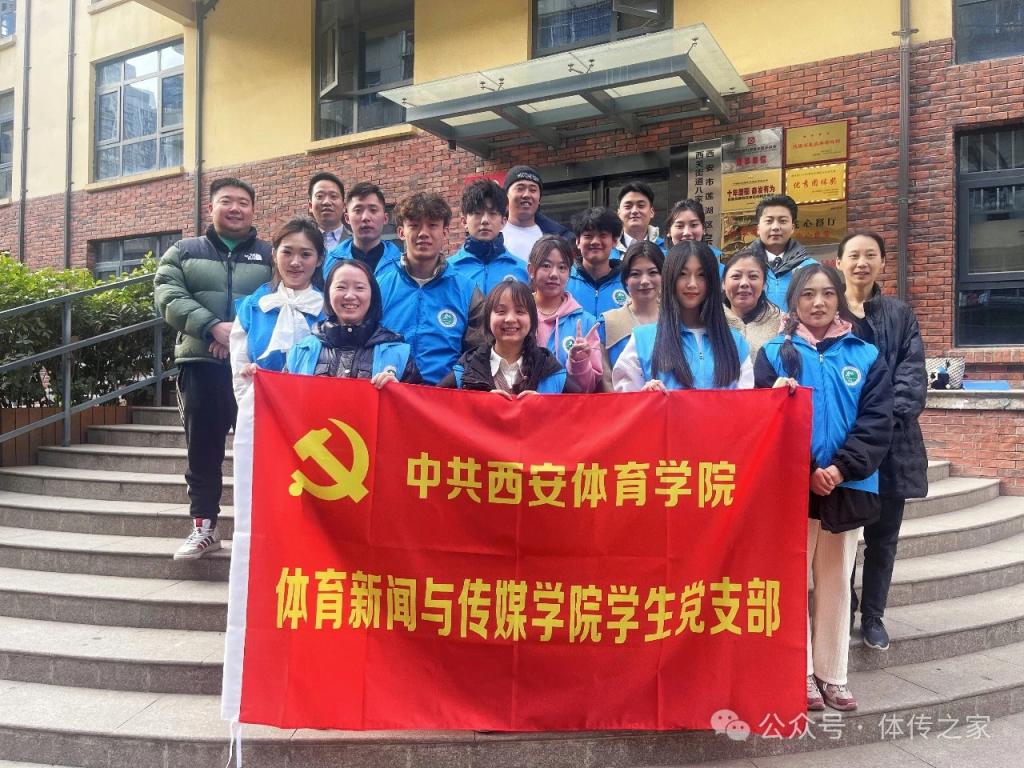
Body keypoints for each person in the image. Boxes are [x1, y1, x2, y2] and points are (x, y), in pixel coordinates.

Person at [754, 263, 893, 712]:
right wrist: (809, 470)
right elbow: (765, 422)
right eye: (808, 294)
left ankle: (833, 674)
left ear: (840, 300)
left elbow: (877, 421)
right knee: (792, 583)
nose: (818, 303)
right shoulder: (773, 354)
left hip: (848, 486)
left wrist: (839, 469)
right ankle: (799, 672)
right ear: (793, 301)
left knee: (836, 582)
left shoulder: (865, 355)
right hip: (793, 487)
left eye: (827, 294)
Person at [154, 177, 272, 560]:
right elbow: (168, 294)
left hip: (254, 369)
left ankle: (264, 530)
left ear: (253, 210)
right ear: (211, 208)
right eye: (226, 201)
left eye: (243, 202)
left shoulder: (270, 255)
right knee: (202, 450)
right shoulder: (184, 251)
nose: (235, 208)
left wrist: (238, 335)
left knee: (263, 450)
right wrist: (211, 327)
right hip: (201, 365)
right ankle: (204, 527)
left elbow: (281, 299)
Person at [837, 231, 928, 652]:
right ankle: (844, 607)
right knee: (842, 538)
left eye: (870, 255)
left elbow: (912, 377)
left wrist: (878, 426)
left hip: (892, 447)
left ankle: (873, 616)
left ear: (883, 263)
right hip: (843, 447)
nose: (861, 263)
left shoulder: (899, 314)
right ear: (839, 262)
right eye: (853, 255)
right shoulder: (829, 310)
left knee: (883, 539)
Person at [613, 241, 752, 392]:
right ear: (670, 278)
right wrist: (646, 397)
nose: (692, 284)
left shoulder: (736, 342)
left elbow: (746, 401)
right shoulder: (642, 340)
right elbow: (626, 400)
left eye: (701, 275)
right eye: (683, 274)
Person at [377, 192, 485, 385]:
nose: (423, 233)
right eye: (414, 225)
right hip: (388, 391)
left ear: (445, 232)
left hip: (446, 396)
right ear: (401, 232)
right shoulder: (379, 286)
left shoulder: (468, 291)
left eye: (432, 225)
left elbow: (480, 350)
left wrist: (452, 381)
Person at [229, 218, 325, 400]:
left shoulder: (330, 310)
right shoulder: (252, 308)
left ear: (319, 259)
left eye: (305, 254)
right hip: (262, 407)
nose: (295, 262)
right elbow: (239, 372)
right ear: (274, 254)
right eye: (287, 252)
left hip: (317, 408)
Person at [287, 259, 420, 385]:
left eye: (359, 288)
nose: (350, 295)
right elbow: (284, 398)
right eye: (341, 287)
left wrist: (398, 391)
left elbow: (417, 399)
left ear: (372, 295)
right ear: (328, 293)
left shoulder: (398, 353)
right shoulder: (302, 351)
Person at [439, 279, 580, 395]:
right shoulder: (466, 371)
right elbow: (435, 408)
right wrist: (480, 404)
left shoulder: (549, 370)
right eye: (501, 311)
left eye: (520, 311)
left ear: (532, 319)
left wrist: (544, 406)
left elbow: (581, 411)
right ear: (488, 319)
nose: (510, 319)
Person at [528, 235, 603, 393]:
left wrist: (579, 362)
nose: (554, 274)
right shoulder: (519, 316)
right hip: (524, 405)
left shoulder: (585, 322)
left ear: (569, 273)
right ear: (531, 270)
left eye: (562, 267)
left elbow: (589, 388)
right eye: (546, 266)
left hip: (569, 407)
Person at [600, 240, 663, 390]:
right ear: (625, 280)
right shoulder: (607, 322)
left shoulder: (678, 320)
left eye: (653, 272)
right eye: (635, 274)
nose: (645, 281)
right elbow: (606, 380)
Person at [447, 179, 529, 293]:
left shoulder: (524, 271)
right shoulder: (447, 270)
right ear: (464, 221)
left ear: (503, 221)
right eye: (477, 213)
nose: (485, 220)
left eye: (492, 213)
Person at [747, 194, 817, 308]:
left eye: (782, 221)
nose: (775, 227)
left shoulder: (810, 268)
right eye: (769, 221)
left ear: (792, 228)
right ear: (758, 229)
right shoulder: (742, 267)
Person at [321, 182, 402, 278]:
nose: (365, 217)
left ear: (385, 218)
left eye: (373, 210)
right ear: (347, 218)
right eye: (358, 210)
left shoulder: (403, 264)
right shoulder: (328, 262)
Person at [501, 165, 573, 260]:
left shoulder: (557, 239)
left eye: (533, 190)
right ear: (506, 196)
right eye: (520, 188)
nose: (527, 195)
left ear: (539, 199)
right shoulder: (492, 234)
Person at [722, 247, 783, 360]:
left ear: (764, 284)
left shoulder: (782, 325)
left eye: (753, 276)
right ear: (723, 283)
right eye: (736, 276)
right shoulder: (709, 320)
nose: (744, 283)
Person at [566, 207, 628, 317]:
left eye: (603, 235)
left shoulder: (627, 282)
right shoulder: (563, 280)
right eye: (588, 236)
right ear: (578, 241)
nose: (595, 241)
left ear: (614, 241)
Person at [664, 198, 724, 277]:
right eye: (680, 226)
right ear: (669, 231)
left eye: (694, 225)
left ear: (703, 229)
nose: (687, 232)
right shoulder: (657, 264)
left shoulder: (720, 270)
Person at [613, 181, 665, 257]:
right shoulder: (607, 249)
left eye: (641, 205)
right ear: (619, 213)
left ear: (652, 212)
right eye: (628, 206)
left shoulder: (666, 249)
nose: (634, 211)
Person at [307, 172, 347, 253]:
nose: (326, 202)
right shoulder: (301, 241)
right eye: (319, 196)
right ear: (310, 206)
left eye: (333, 196)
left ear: (344, 206)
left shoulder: (358, 242)